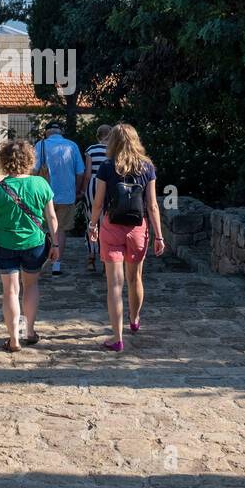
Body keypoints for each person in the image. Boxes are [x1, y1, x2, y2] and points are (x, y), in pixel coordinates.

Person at [87, 123, 164, 352]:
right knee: (135, 278)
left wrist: (92, 224)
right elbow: (152, 205)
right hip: (137, 228)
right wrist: (159, 236)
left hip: (111, 226)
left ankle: (117, 337)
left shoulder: (107, 167)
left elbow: (98, 203)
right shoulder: (147, 167)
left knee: (114, 285)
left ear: (113, 142)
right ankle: (135, 319)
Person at [0, 139, 58, 352]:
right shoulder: (41, 185)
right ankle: (30, 331)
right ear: (29, 160)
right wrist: (55, 244)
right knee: (31, 286)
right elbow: (52, 218)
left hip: (5, 244)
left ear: (4, 161)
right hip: (34, 243)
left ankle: (13, 339)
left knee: (10, 291)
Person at [31, 122, 84, 276]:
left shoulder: (40, 145)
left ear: (47, 132)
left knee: (40, 228)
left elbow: (33, 170)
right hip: (66, 195)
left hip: (42, 195)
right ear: (61, 132)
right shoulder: (72, 146)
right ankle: (56, 264)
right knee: (60, 230)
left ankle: (39, 259)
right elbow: (80, 172)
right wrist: (77, 190)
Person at [77, 124, 112, 274]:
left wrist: (83, 190)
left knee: (91, 221)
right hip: (108, 186)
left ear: (97, 135)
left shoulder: (91, 150)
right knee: (107, 222)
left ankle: (91, 257)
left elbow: (87, 173)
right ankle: (105, 259)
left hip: (92, 186)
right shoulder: (113, 150)